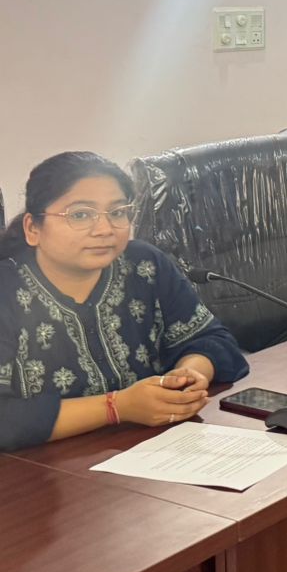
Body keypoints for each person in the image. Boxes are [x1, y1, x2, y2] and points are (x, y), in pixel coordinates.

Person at [0, 152, 250, 451]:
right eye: (80, 215)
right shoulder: (6, 290)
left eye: (118, 212)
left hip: (153, 451)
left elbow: (212, 340)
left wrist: (188, 376)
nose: (105, 229)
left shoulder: (144, 264)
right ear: (33, 228)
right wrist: (116, 407)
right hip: (38, 471)